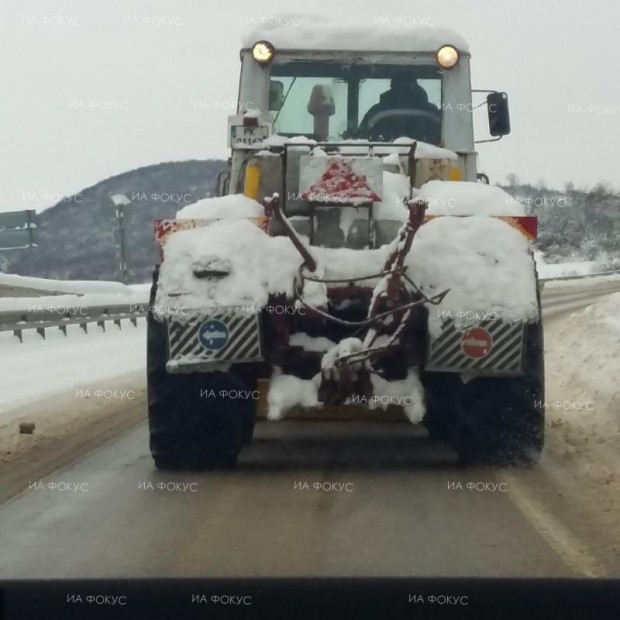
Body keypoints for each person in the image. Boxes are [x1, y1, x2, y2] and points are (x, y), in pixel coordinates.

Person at [358, 72, 441, 142]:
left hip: (429, 159)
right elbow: (362, 140)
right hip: (381, 158)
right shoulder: (431, 112)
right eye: (400, 84)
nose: (402, 88)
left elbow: (361, 138)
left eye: (406, 84)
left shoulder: (376, 111)